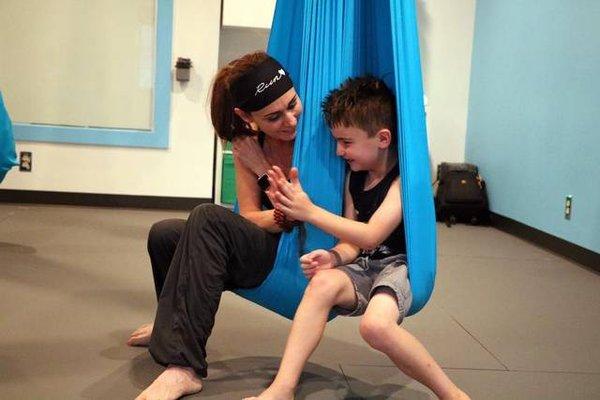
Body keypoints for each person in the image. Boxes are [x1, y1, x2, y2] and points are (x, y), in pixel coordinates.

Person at [244, 76, 470, 400]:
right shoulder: (355, 177)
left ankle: (452, 394)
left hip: (399, 267)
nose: (338, 150)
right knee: (321, 283)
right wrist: (334, 258)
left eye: (346, 142)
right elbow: (353, 242)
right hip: (364, 265)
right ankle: (283, 387)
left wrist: (309, 211)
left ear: (382, 138)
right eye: (336, 141)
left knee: (375, 327)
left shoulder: (402, 182)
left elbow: (372, 234)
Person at [128, 51, 303, 400]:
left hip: (298, 253)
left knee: (206, 216)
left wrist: (265, 176)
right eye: (273, 117)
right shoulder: (248, 146)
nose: (290, 121)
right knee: (165, 233)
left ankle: (183, 366)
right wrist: (282, 215)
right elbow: (251, 216)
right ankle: (170, 325)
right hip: (267, 244)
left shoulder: (314, 141)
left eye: (293, 104)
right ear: (247, 117)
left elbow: (308, 212)